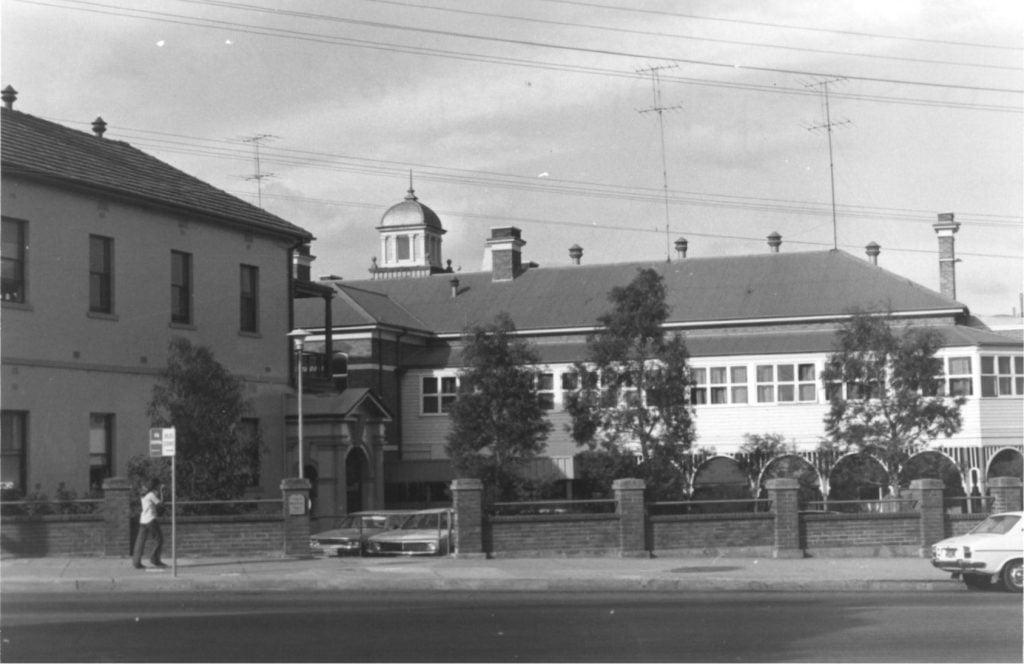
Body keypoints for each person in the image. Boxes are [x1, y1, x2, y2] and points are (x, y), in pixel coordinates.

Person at [132, 478, 167, 569]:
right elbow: (161, 504)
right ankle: (154, 559)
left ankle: (136, 562)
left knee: (140, 542)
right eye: (159, 484)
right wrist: (162, 491)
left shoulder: (143, 494)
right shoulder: (151, 494)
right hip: (151, 520)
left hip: (143, 520)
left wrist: (158, 491)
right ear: (155, 485)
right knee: (159, 539)